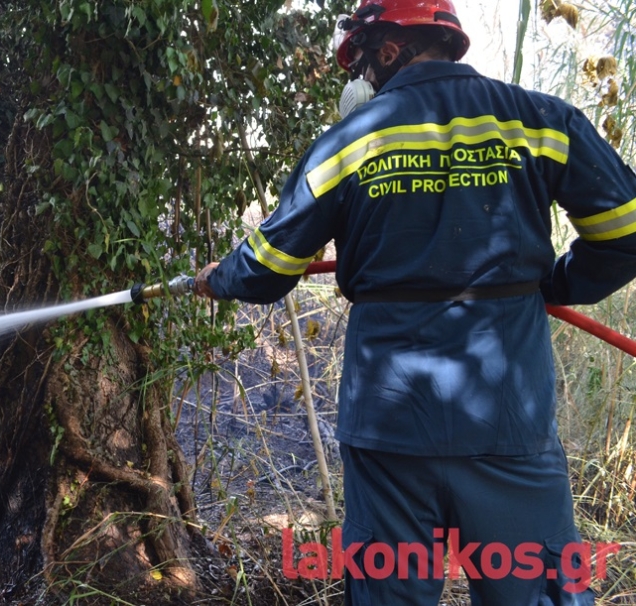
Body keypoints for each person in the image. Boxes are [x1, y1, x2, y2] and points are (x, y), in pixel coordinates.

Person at [192, 0, 636, 604]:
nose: (362, 81)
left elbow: (267, 268)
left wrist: (218, 277)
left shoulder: (347, 143)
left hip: (389, 424)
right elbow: (625, 233)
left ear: (390, 48)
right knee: (538, 589)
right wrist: (557, 284)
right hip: (508, 420)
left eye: (362, 66)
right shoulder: (541, 121)